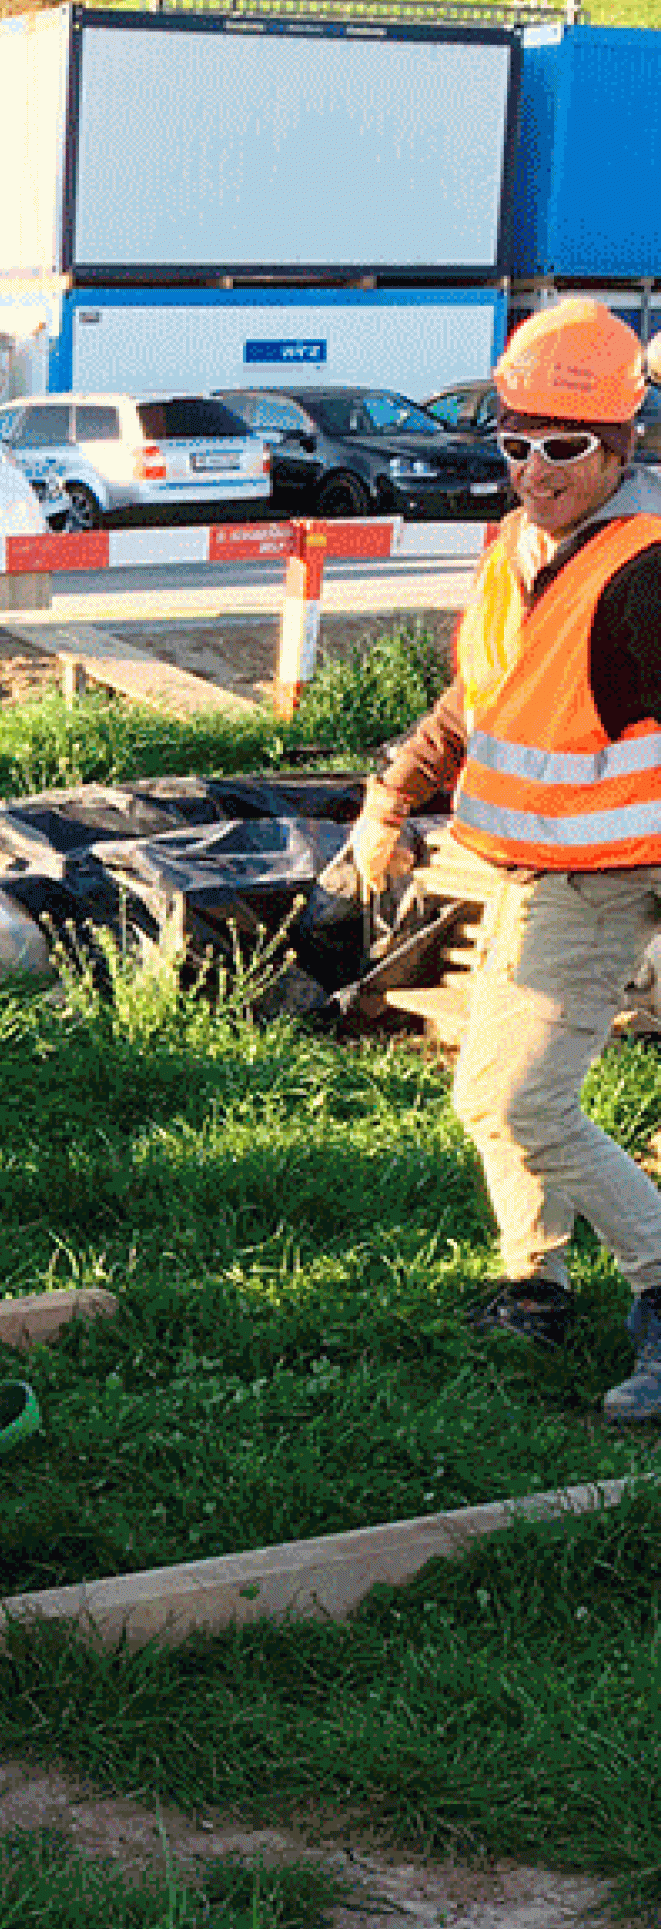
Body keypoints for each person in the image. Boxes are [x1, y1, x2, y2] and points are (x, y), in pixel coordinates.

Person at [350, 297, 661, 1420]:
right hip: (540, 862)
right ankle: (533, 1281)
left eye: (564, 446)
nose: (534, 467)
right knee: (496, 1091)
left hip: (617, 867)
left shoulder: (644, 569)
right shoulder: (523, 550)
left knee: (519, 1101)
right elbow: (480, 696)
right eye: (515, 442)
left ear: (622, 444)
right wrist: (388, 796)